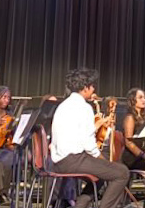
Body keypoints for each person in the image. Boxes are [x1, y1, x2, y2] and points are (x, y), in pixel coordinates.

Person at [50, 68, 130, 208]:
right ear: (85, 88)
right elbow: (89, 144)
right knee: (122, 172)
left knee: (102, 173)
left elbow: (76, 134)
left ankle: (80, 205)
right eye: (92, 86)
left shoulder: (63, 105)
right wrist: (102, 159)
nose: (94, 89)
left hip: (59, 161)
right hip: (73, 160)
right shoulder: (84, 107)